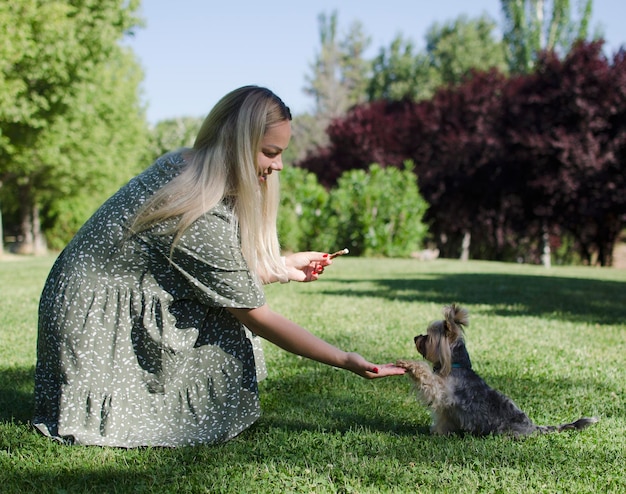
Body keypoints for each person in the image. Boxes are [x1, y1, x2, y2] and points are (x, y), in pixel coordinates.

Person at [33, 85, 405, 448]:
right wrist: (345, 359)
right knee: (227, 323)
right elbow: (255, 315)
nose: (277, 165)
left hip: (81, 299)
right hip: (94, 324)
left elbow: (201, 272)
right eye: (270, 152)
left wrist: (281, 265)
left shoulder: (186, 163)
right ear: (238, 144)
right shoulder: (198, 210)